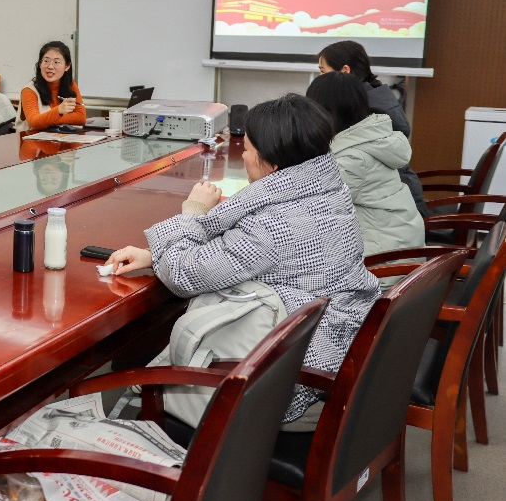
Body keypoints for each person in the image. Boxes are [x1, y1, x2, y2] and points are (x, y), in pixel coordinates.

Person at [107, 94, 379, 430]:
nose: (243, 156)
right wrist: (153, 256)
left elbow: (183, 275)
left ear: (272, 163)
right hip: (341, 350)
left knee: (154, 345)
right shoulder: (327, 190)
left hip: (291, 382)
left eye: (247, 149)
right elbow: (243, 256)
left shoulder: (273, 225)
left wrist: (193, 212)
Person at [306, 71, 424, 262]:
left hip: (385, 262)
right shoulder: (369, 137)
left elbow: (311, 207)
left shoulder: (354, 159)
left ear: (325, 111)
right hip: (399, 246)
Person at [317, 40, 427, 216]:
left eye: (323, 71)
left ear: (345, 71)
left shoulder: (364, 109)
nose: (320, 78)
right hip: (394, 201)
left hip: (394, 210)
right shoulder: (375, 96)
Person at [15, 41, 87, 131]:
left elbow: (80, 117)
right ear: (40, 64)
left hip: (59, 138)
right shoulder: (29, 90)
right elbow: (34, 122)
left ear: (67, 66)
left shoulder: (70, 85)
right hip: (32, 139)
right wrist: (58, 111)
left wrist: (48, 120)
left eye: (56, 62)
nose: (50, 66)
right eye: (46, 61)